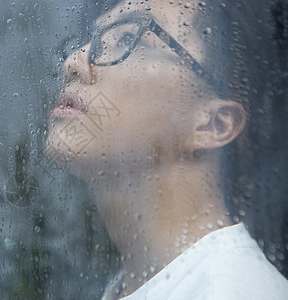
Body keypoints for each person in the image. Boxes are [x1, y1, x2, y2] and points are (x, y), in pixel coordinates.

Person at [46, 0, 288, 299]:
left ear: (214, 124)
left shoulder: (232, 291)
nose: (73, 61)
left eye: (127, 40)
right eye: (92, 40)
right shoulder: (145, 284)